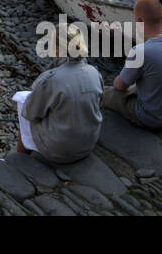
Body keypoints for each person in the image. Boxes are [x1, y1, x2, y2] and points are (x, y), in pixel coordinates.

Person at [13, 24, 102, 164]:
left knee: (23, 101)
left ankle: (19, 159)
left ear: (57, 49)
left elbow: (31, 113)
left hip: (59, 151)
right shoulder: (94, 72)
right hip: (87, 146)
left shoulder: (51, 79)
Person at [103, 0, 162, 130]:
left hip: (152, 118)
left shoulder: (140, 52)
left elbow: (119, 86)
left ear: (139, 21)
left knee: (107, 93)